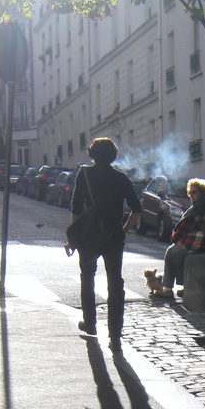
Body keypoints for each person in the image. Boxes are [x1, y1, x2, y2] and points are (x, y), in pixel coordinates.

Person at [64, 138, 141, 352]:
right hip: (113, 236)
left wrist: (74, 238)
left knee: (87, 278)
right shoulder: (121, 177)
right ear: (113, 155)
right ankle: (115, 336)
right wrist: (123, 229)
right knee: (115, 283)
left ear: (92, 154)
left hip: (89, 236)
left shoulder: (84, 174)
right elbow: (136, 208)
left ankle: (90, 323)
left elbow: (76, 208)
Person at [156, 178, 205, 299]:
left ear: (202, 192)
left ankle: (167, 289)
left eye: (194, 192)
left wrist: (174, 238)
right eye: (190, 193)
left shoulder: (196, 208)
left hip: (196, 243)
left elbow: (182, 227)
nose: (191, 195)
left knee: (171, 253)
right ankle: (185, 287)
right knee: (180, 254)